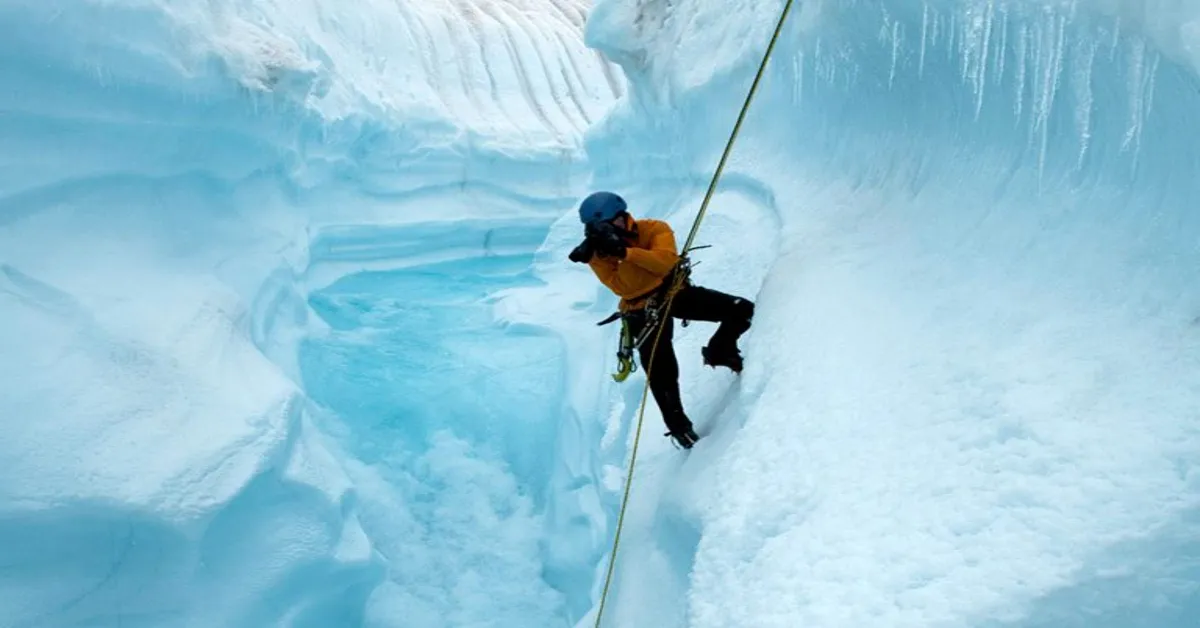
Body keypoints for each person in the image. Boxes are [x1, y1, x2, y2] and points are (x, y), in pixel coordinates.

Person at [568, 191, 755, 449]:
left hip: (674, 290)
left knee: (742, 309)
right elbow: (624, 286)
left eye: (611, 224)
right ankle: (678, 427)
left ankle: (720, 350)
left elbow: (665, 263)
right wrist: (612, 253)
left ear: (623, 217)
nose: (609, 229)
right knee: (661, 371)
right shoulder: (597, 254)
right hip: (640, 309)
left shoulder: (654, 229)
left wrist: (626, 251)